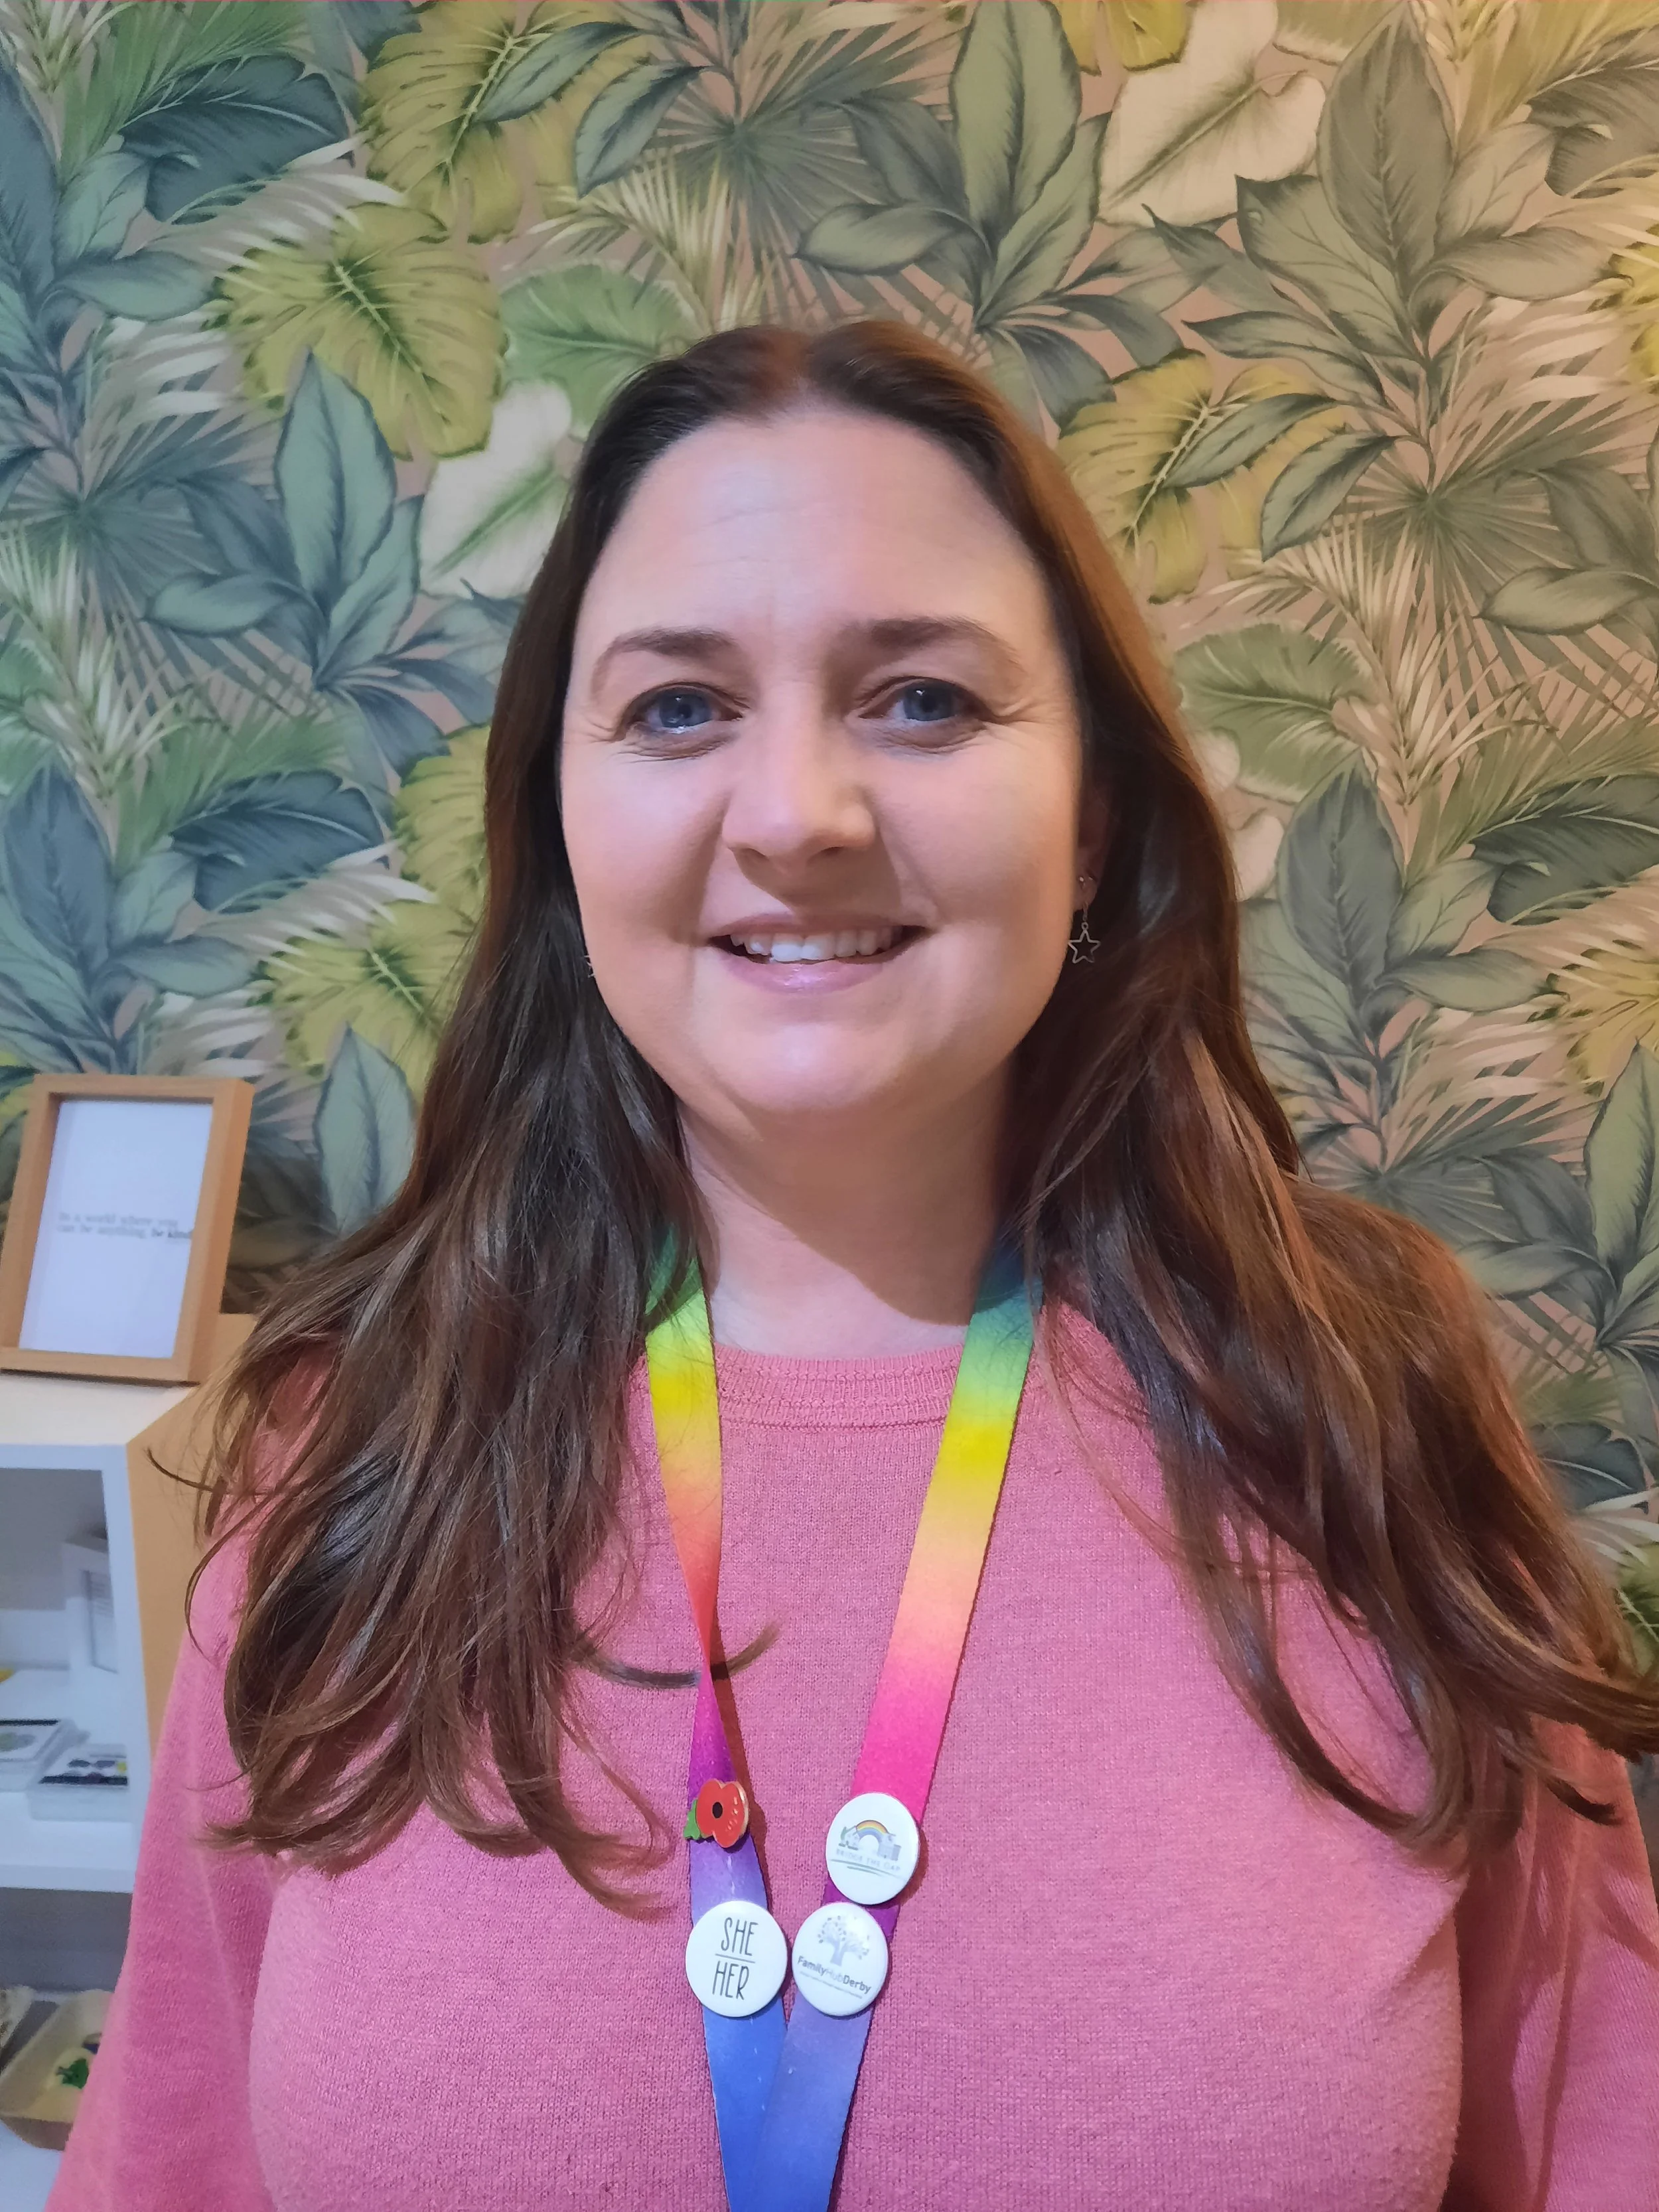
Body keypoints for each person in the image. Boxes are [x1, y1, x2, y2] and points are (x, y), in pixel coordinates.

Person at [49, 322, 1659, 2212]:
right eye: (674, 708)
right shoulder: (355, 1437)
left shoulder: (1358, 1396)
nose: (799, 812)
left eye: (916, 699)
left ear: (1096, 828)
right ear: (559, 835)